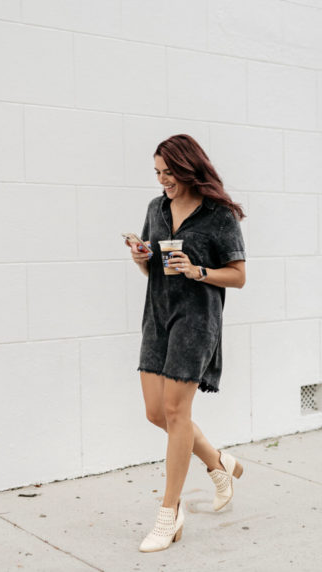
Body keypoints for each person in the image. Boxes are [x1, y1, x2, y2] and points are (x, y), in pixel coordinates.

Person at [125, 134, 247, 553]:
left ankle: (169, 513)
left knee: (178, 411)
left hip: (197, 320)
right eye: (158, 174)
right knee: (156, 412)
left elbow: (238, 275)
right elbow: (154, 270)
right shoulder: (155, 208)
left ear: (189, 168)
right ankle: (219, 463)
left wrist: (198, 271)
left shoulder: (219, 215)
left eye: (169, 173)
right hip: (157, 316)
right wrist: (143, 259)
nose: (163, 182)